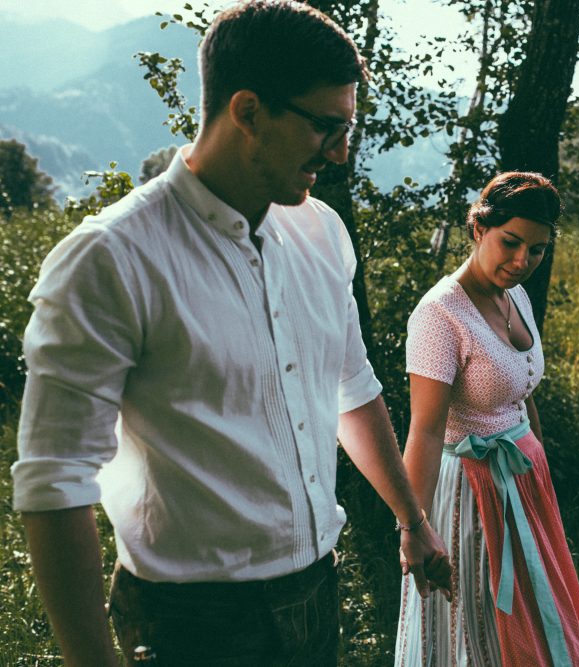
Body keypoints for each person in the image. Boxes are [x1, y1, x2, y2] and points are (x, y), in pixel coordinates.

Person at [11, 2, 451, 664]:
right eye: (326, 127)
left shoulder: (325, 234)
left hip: (316, 598)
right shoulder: (109, 258)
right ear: (248, 112)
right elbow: (54, 484)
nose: (339, 153)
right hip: (188, 623)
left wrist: (412, 519)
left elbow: (351, 387)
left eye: (348, 128)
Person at [394, 172, 579, 666]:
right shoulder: (440, 315)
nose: (522, 261)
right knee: (480, 624)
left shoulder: (516, 297)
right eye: (511, 242)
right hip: (470, 491)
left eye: (537, 249)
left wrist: (540, 468)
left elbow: (523, 394)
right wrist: (412, 527)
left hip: (524, 485)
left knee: (537, 619)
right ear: (479, 227)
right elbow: (424, 429)